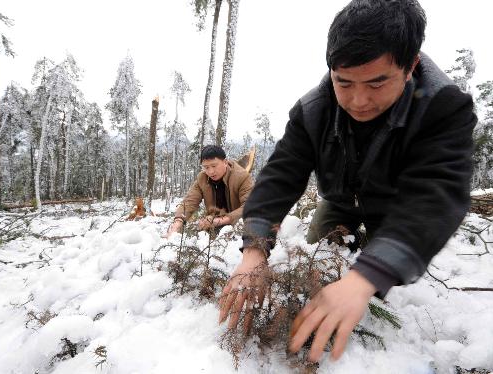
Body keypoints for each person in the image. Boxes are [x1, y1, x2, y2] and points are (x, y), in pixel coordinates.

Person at [218, 0, 476, 363]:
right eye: (344, 82)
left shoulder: (443, 108)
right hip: (339, 200)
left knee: (373, 277)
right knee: (322, 258)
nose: (358, 100)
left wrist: (365, 278)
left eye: (377, 83)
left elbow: (436, 195)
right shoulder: (313, 109)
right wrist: (254, 249)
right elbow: (280, 176)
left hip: (396, 208)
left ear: (411, 65)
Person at [167, 145, 254, 237]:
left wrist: (221, 220)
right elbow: (190, 201)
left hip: (239, 224)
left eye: (214, 166)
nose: (211, 171)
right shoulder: (202, 178)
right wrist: (178, 222)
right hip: (213, 224)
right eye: (206, 167)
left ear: (225, 162)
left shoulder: (242, 177)